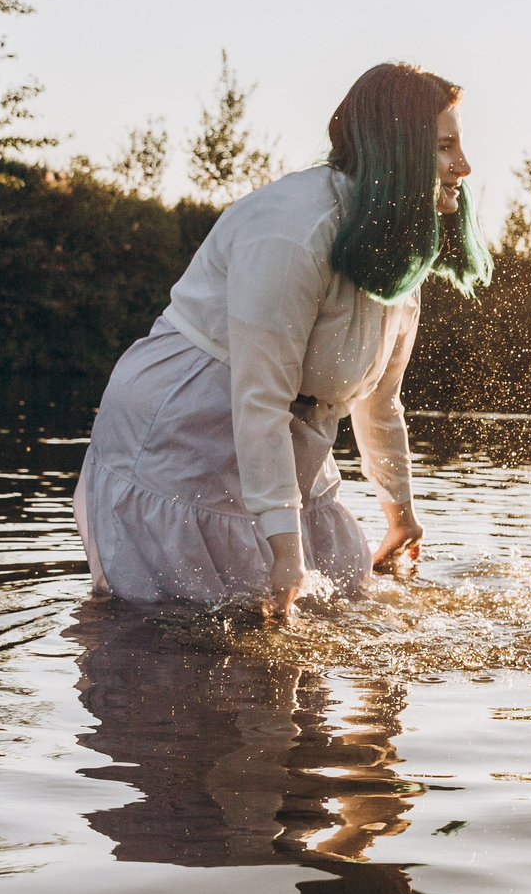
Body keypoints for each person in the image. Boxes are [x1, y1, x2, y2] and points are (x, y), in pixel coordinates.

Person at [73, 64, 491, 614]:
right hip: (187, 427)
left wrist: (401, 516)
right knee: (185, 632)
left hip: (290, 433)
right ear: (394, 150)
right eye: (444, 147)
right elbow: (259, 399)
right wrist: (285, 551)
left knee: (341, 596)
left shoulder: (397, 250)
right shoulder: (293, 227)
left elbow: (379, 401)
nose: (464, 166)